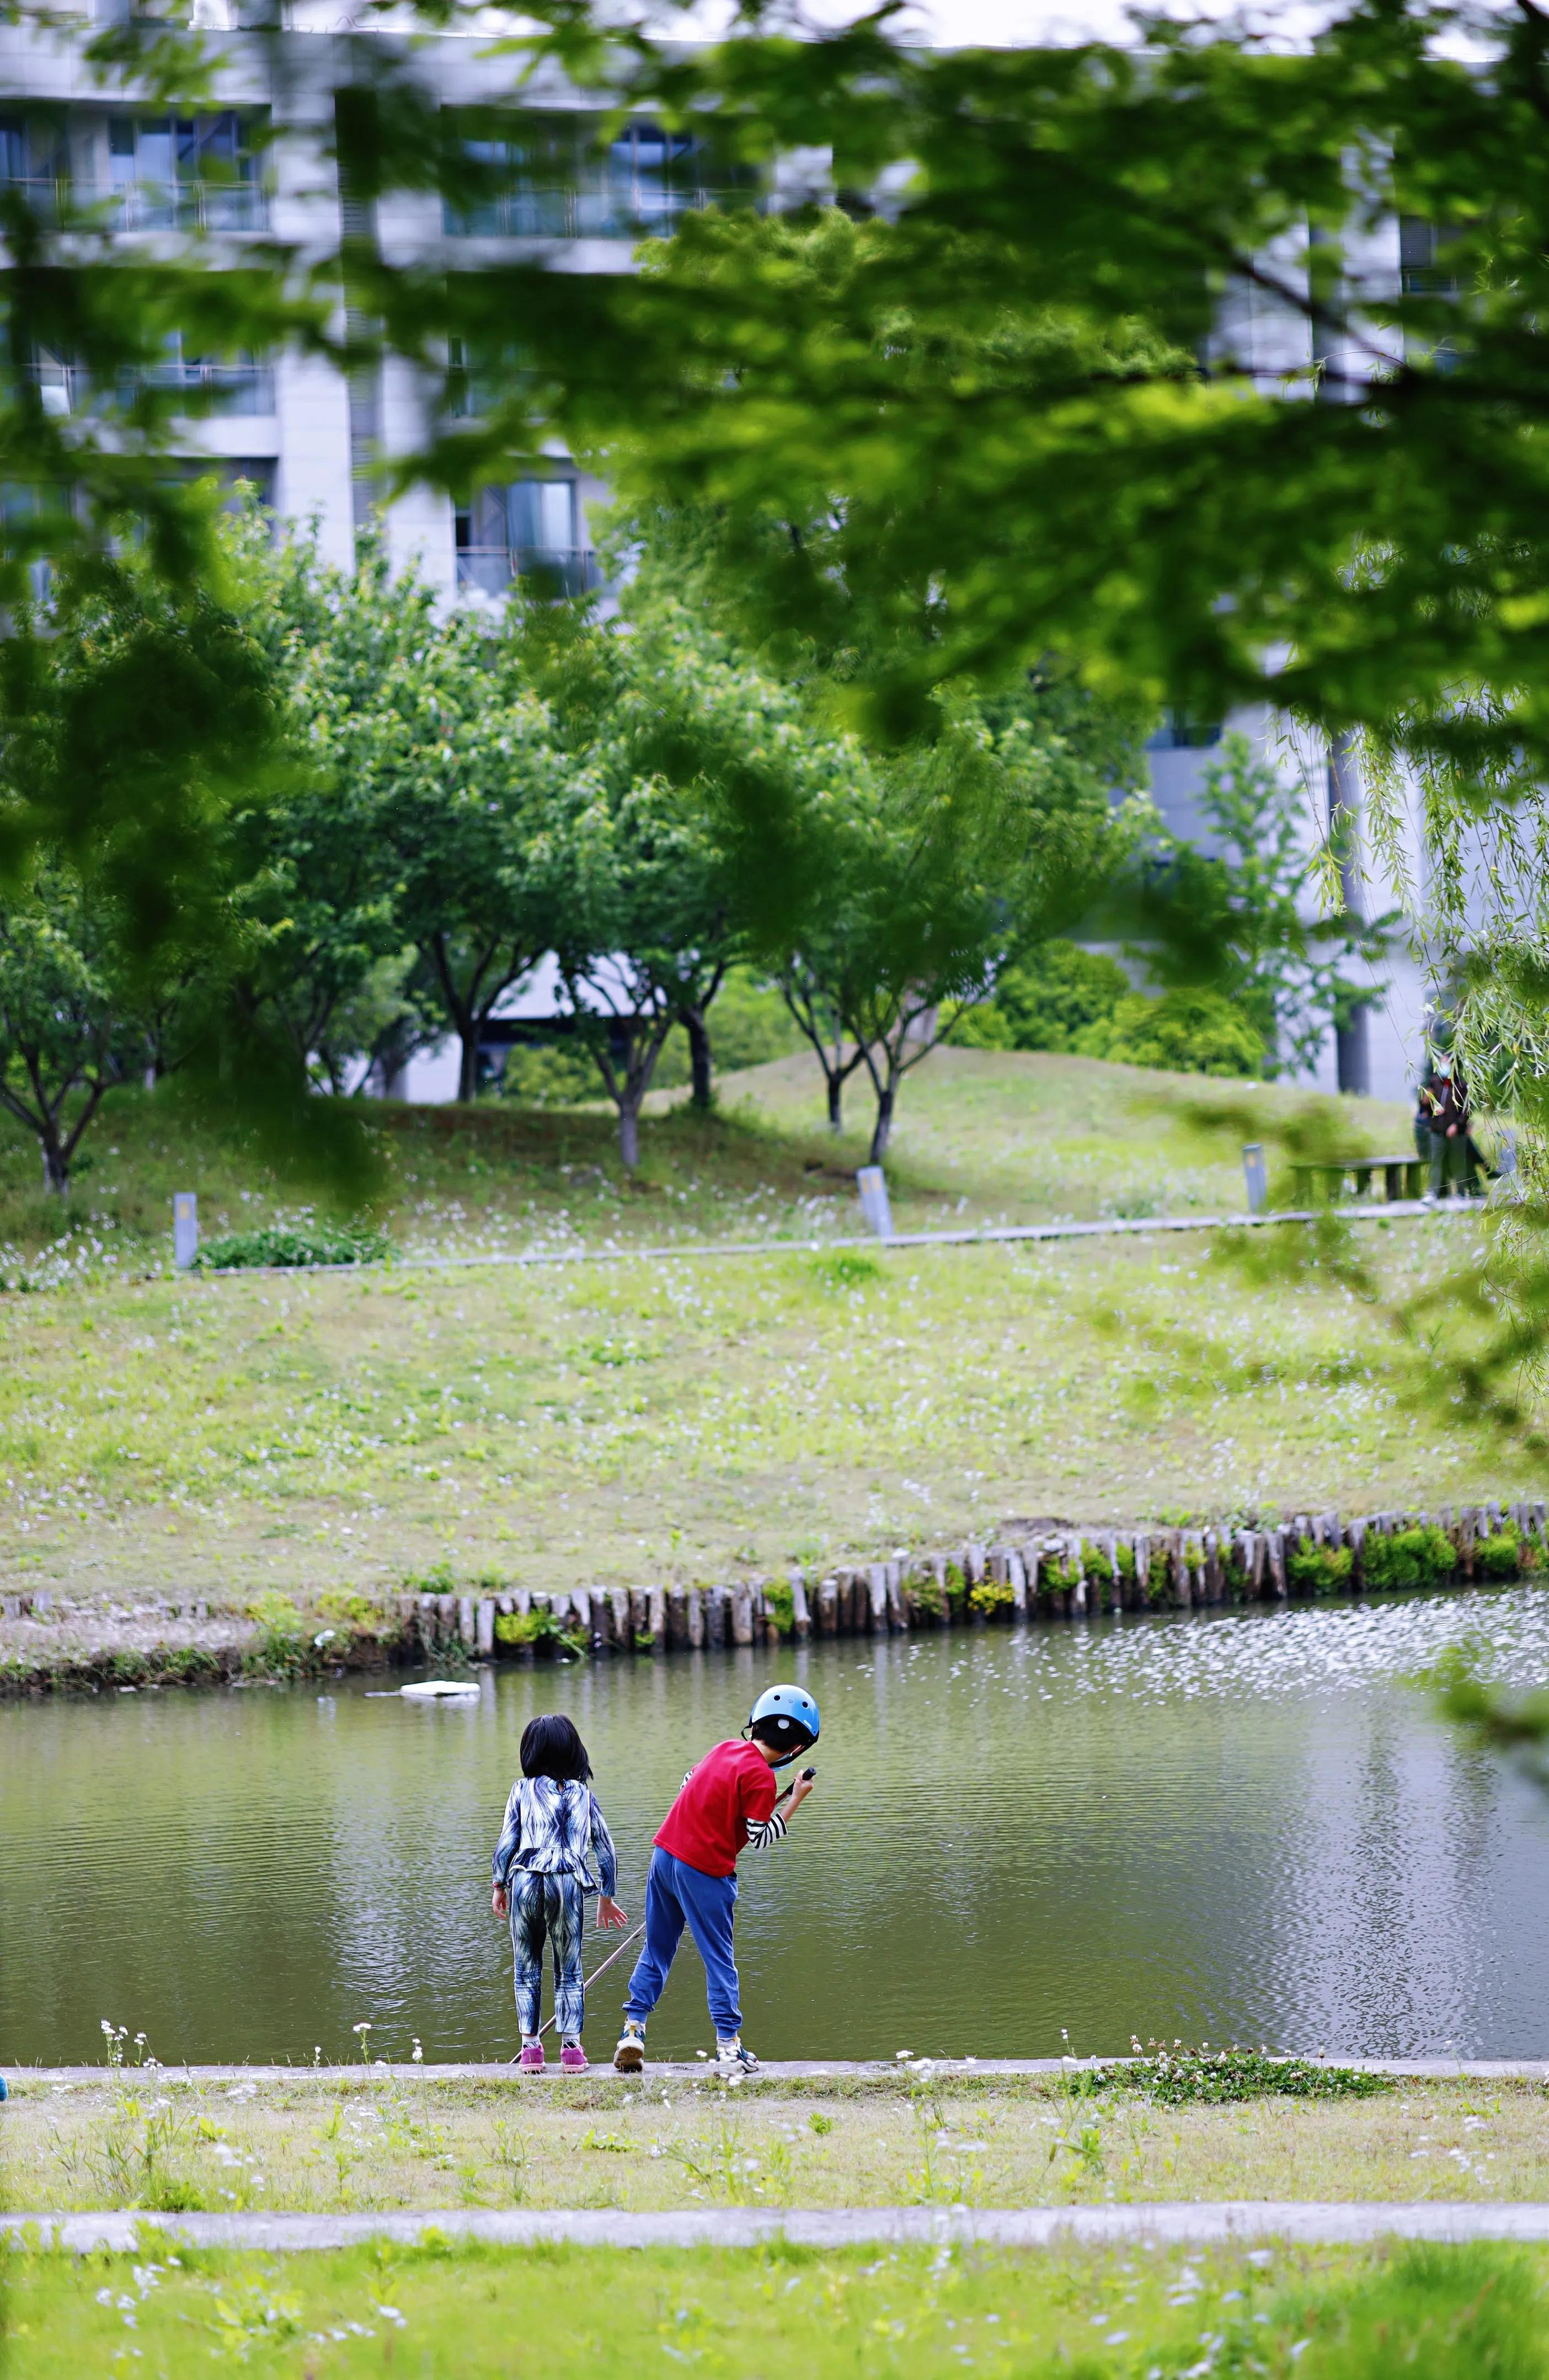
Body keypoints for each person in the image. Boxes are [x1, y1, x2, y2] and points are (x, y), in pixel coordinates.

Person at [615, 1684, 820, 2076]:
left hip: (665, 1856)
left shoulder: (725, 1749)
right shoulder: (762, 1778)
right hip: (704, 1872)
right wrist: (796, 1798)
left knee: (658, 1947)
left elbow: (689, 1784)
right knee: (718, 1957)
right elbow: (760, 1837)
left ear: (754, 1725)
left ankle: (633, 2029)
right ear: (797, 1749)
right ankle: (729, 2047)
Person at [492, 1713, 626, 2072]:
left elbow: (507, 1842)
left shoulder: (521, 1790)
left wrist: (499, 1884)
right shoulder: (583, 1795)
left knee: (526, 1967)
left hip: (525, 1879)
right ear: (573, 1752)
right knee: (569, 1968)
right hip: (567, 1881)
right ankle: (571, 2050)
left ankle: (531, 2049)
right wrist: (606, 1897)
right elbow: (606, 1849)